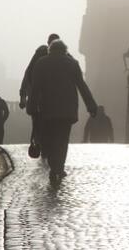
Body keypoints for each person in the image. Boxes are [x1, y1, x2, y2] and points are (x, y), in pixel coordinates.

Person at [29, 39, 98, 183]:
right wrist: (91, 105)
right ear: (65, 50)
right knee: (63, 139)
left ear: (50, 49)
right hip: (67, 110)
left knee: (50, 138)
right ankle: (58, 167)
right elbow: (81, 86)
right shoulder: (72, 63)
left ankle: (54, 165)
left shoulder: (41, 63)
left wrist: (31, 106)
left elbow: (35, 88)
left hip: (47, 109)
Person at [19, 33, 61, 154]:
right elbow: (28, 74)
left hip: (42, 98)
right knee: (41, 122)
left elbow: (27, 74)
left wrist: (23, 96)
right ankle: (42, 144)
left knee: (40, 122)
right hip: (41, 97)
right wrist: (23, 95)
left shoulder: (60, 58)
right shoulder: (41, 55)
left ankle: (42, 143)